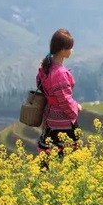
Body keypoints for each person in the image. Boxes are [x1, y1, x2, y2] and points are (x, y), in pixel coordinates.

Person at [36, 29, 82, 157]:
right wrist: (76, 108)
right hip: (62, 123)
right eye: (70, 48)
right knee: (70, 159)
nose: (72, 51)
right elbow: (64, 100)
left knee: (48, 159)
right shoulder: (60, 74)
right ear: (63, 50)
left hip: (50, 118)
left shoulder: (46, 68)